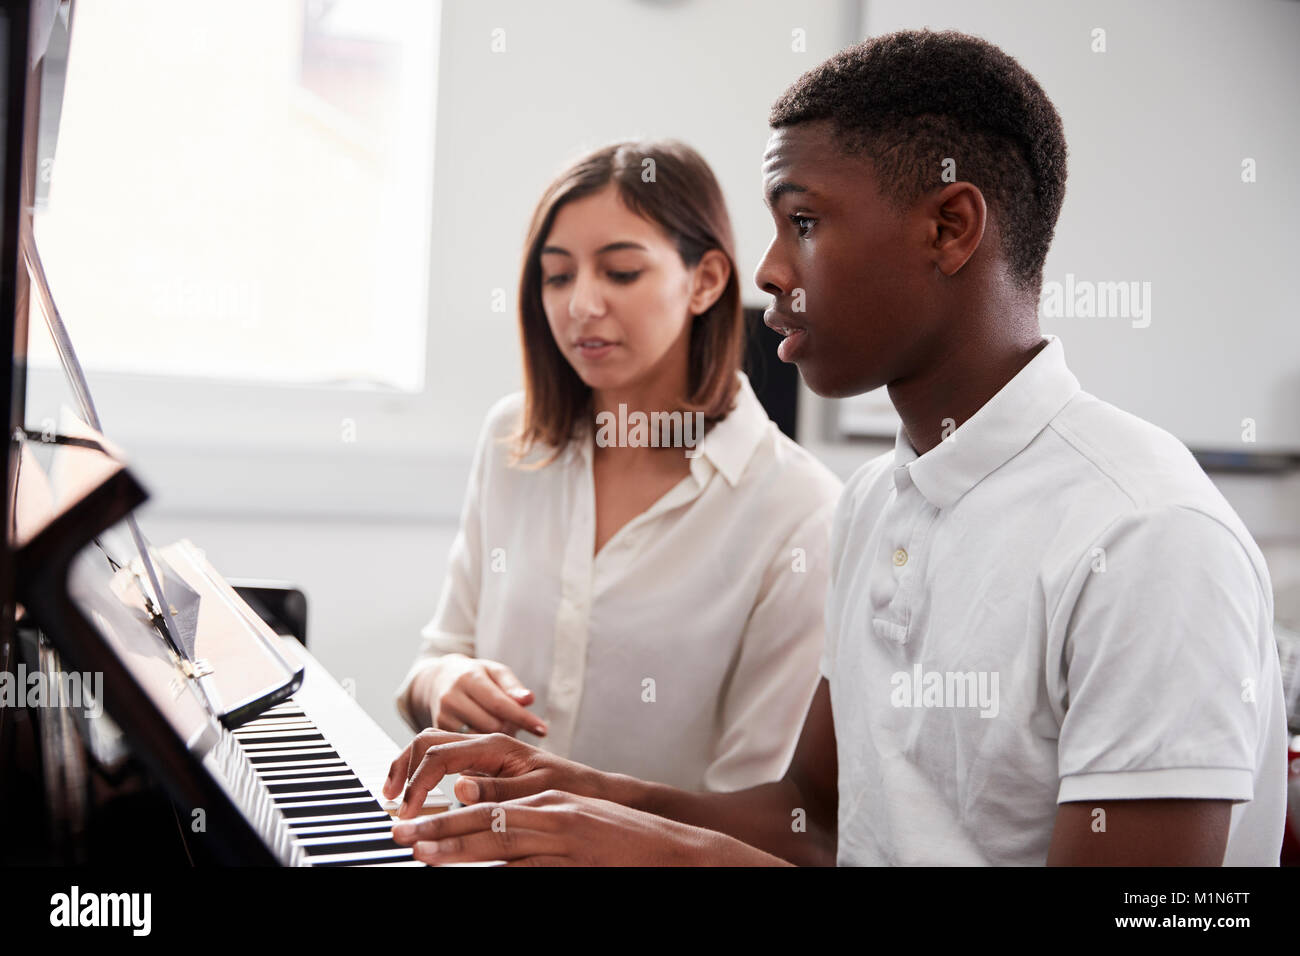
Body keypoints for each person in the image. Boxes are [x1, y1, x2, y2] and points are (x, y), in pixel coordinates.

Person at [383, 29, 1288, 866]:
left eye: (803, 223)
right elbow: (813, 817)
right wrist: (580, 792)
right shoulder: (877, 503)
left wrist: (654, 852)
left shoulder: (1147, 537)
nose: (770, 270)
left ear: (949, 228)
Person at [393, 139, 843, 794]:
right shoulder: (512, 442)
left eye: (621, 272)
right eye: (557, 276)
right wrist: (445, 683)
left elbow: (754, 816)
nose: (580, 305)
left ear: (707, 280)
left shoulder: (799, 512)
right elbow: (432, 662)